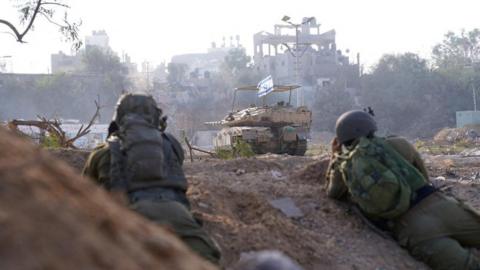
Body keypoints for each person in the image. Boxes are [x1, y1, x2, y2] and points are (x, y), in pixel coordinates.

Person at [325, 110, 480, 270]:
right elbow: (423, 177)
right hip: (441, 207)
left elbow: (332, 193)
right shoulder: (399, 144)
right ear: (371, 126)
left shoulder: (345, 167)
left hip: (411, 228)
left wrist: (335, 155)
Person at [82, 93, 221, 264]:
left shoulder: (102, 152)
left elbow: (83, 199)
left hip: (128, 219)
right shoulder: (171, 144)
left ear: (118, 117)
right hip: (178, 214)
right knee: (207, 260)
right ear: (155, 116)